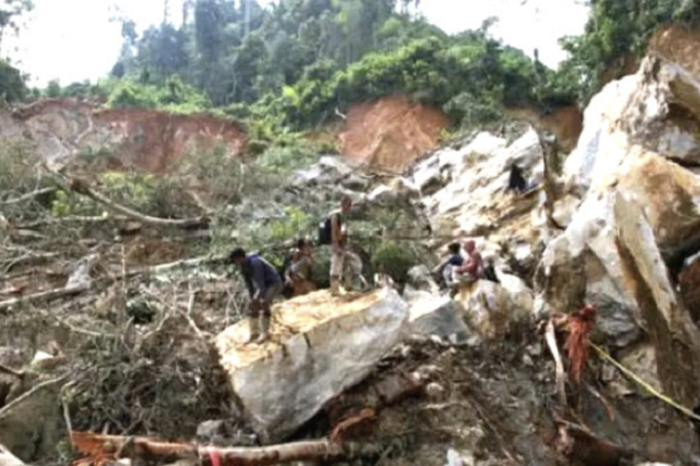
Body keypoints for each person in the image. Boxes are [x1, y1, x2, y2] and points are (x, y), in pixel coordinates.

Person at [229, 248, 283, 344]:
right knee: (253, 305)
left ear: (240, 257)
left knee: (264, 302)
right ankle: (254, 333)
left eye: (236, 260)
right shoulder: (243, 266)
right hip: (264, 285)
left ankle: (265, 332)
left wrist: (257, 297)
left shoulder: (255, 263)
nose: (236, 263)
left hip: (274, 284)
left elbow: (260, 284)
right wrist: (252, 299)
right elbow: (249, 285)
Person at [329, 196, 364, 295]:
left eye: (350, 206)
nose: (349, 208)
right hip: (336, 245)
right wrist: (336, 245)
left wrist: (346, 244)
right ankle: (334, 290)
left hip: (343, 245)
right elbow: (334, 231)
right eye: (348, 205)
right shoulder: (336, 215)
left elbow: (343, 231)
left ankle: (348, 285)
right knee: (336, 266)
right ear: (343, 204)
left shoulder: (344, 216)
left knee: (353, 262)